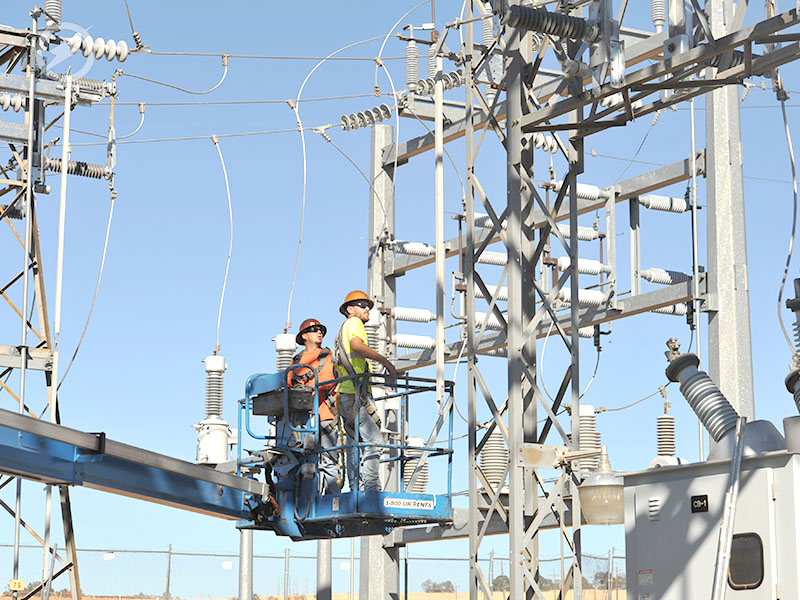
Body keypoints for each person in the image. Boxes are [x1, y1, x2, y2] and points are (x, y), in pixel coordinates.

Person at [333, 290, 397, 492]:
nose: (367, 308)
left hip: (345, 394)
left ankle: (356, 488)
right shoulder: (354, 323)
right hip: (353, 394)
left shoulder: (344, 328)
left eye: (368, 305)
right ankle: (371, 489)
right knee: (375, 441)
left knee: (355, 441)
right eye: (362, 305)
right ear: (350, 310)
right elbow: (356, 345)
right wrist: (384, 360)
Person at [288, 318, 340, 495]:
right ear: (304, 336)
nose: (319, 332)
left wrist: (313, 384)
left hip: (324, 416)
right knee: (303, 461)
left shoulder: (327, 356)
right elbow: (288, 384)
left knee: (328, 461)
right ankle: (306, 499)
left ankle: (333, 500)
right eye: (315, 330)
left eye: (321, 330)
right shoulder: (297, 360)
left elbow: (329, 379)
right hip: (302, 420)